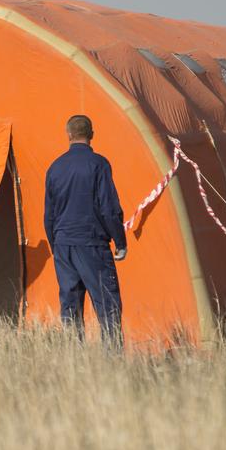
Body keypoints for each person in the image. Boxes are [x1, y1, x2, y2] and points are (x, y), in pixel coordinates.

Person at [43, 114, 127, 347]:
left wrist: (56, 245)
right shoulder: (99, 164)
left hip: (63, 244)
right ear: (92, 135)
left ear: (68, 134)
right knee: (107, 303)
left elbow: (49, 215)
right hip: (91, 244)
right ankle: (113, 360)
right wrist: (120, 241)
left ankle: (74, 361)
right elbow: (109, 208)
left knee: (70, 305)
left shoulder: (55, 167)